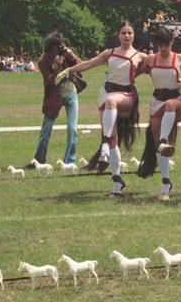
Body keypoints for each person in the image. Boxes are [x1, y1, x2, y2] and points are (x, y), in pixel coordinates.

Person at [59, 21, 147, 197]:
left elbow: (158, 67)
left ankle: (104, 145)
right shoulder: (110, 53)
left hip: (126, 95)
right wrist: (68, 71)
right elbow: (89, 64)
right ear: (118, 35)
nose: (127, 36)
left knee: (111, 103)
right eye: (123, 33)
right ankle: (117, 182)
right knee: (113, 138)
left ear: (134, 35)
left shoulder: (141, 56)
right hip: (106, 92)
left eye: (129, 33)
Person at [136, 26, 181, 202]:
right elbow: (135, 72)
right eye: (160, 45)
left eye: (166, 44)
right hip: (156, 101)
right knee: (159, 147)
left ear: (172, 43)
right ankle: (166, 183)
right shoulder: (151, 59)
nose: (163, 49)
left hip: (176, 101)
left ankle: (162, 141)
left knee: (169, 106)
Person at [31, 32, 79, 170]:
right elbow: (51, 82)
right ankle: (39, 160)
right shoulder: (42, 62)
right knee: (46, 130)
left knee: (72, 129)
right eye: (58, 46)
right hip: (54, 97)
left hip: (71, 94)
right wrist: (58, 67)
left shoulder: (66, 54)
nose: (61, 48)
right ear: (52, 47)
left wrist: (72, 56)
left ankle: (69, 162)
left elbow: (80, 66)